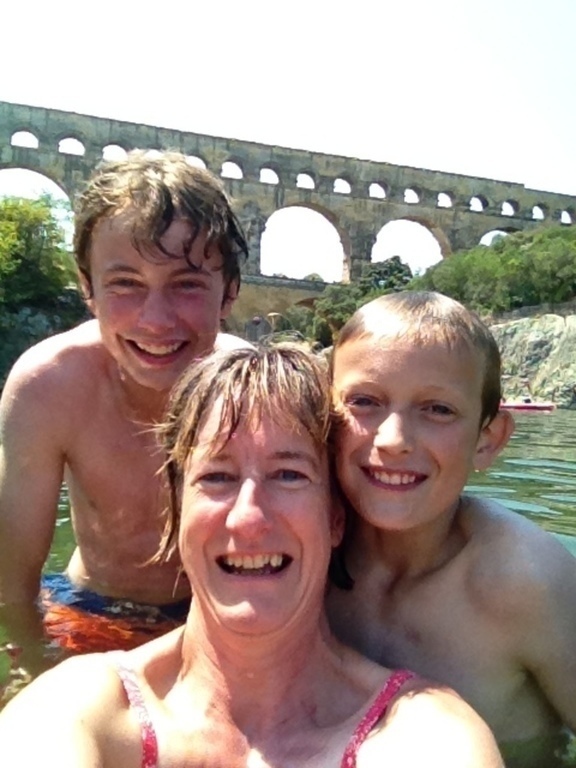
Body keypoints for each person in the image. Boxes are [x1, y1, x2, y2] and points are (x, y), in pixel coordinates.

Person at [0, 346, 503, 767]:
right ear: (177, 514)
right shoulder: (79, 712)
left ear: (335, 518)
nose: (247, 518)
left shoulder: (422, 735)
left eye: (289, 475)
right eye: (216, 477)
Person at [0, 150, 251, 672]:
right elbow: (12, 584)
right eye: (125, 284)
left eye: (185, 284)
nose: (155, 320)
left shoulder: (250, 389)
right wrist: (32, 674)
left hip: (217, 620)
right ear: (87, 288)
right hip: (91, 613)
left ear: (228, 293)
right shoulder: (51, 385)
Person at [326, 290, 576, 766]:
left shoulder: (525, 581)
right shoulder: (306, 555)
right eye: (364, 401)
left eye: (437, 409)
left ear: (488, 439)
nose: (394, 440)